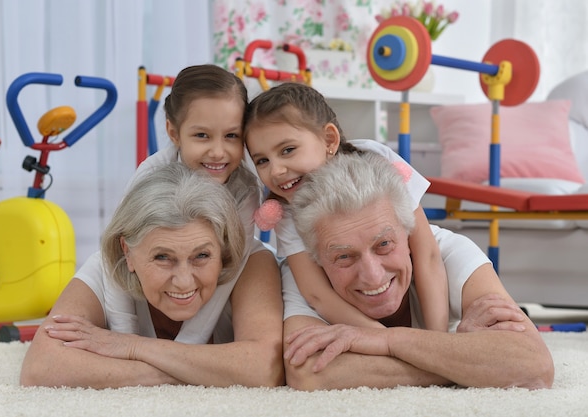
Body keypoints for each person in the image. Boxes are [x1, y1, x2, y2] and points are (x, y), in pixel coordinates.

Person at [282, 152, 554, 390]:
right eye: (344, 256)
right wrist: (464, 360)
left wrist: (385, 341)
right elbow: (308, 374)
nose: (373, 275)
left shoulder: (451, 253)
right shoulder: (303, 278)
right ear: (316, 259)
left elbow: (534, 364)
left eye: (384, 245)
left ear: (410, 234)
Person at [20, 163, 284, 388]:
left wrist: (133, 347)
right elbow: (40, 366)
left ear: (223, 248)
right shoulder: (105, 266)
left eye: (202, 256)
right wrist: (193, 372)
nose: (184, 280)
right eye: (162, 257)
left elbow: (264, 368)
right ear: (128, 251)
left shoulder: (253, 263)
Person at [244, 82, 449, 332]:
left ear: (329, 140)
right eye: (262, 161)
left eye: (288, 150)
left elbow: (427, 254)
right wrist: (385, 340)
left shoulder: (373, 158)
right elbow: (317, 294)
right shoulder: (287, 211)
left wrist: (437, 338)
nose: (275, 171)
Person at [97, 64, 277, 343]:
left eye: (231, 136)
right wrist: (124, 335)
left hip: (213, 279)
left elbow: (229, 274)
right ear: (173, 132)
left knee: (261, 256)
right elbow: (120, 254)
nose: (218, 152)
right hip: (162, 273)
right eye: (202, 135)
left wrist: (188, 345)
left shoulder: (245, 189)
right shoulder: (150, 173)